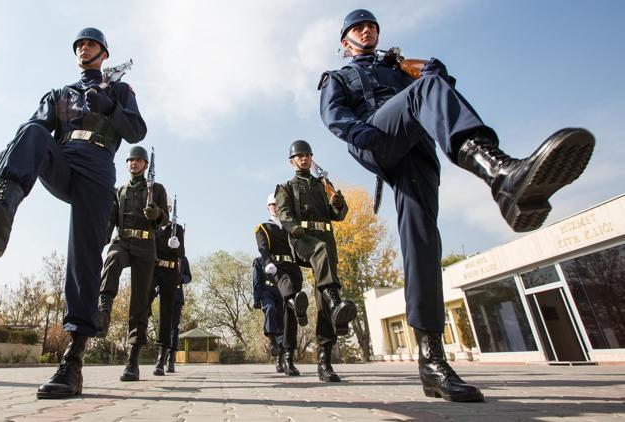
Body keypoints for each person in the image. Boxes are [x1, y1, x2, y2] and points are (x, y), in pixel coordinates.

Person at [319, 10, 595, 401]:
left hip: (417, 151)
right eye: (359, 28)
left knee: (423, 242)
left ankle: (432, 363)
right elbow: (334, 116)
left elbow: (442, 95)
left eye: (373, 26)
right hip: (375, 138)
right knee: (422, 91)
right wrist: (365, 134)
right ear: (346, 41)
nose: (368, 31)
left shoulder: (400, 68)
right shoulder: (339, 76)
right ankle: (499, 173)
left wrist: (433, 70)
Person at [0, 28, 147, 399]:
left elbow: (137, 131)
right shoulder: (59, 94)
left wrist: (110, 107)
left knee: (83, 257)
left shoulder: (119, 90)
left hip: (98, 167)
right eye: (79, 44)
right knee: (31, 131)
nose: (84, 47)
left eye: (91, 43)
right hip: (63, 159)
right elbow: (34, 130)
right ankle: (0, 214)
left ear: (104, 52)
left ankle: (73, 362)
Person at [275, 140, 354, 382]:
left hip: (325, 242)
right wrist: (293, 228)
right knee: (320, 252)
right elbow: (284, 213)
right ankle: (336, 299)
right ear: (292, 162)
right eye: (299, 156)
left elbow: (337, 215)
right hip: (303, 241)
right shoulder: (286, 186)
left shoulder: (322, 185)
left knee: (323, 304)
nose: (304, 158)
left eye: (307, 155)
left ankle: (324, 362)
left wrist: (339, 204)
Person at [97, 145, 169, 382]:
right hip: (123, 240)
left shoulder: (156, 188)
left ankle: (132, 361)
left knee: (139, 302)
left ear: (145, 165)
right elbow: (110, 221)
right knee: (113, 257)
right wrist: (101, 242)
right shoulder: (120, 191)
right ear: (127, 164)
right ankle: (104, 306)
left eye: (138, 161)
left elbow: (164, 220)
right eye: (130, 161)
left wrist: (156, 213)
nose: (134, 164)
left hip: (146, 246)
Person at [253, 194, 309, 376]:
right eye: (272, 204)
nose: (276, 207)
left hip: (292, 268)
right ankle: (282, 357)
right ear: (268, 207)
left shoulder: (290, 228)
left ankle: (288, 358)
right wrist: (268, 261)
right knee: (282, 306)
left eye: (279, 204)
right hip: (276, 269)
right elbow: (262, 247)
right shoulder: (264, 227)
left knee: (289, 318)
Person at [146, 198, 185, 375]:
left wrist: (176, 247)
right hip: (153, 270)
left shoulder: (177, 229)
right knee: (142, 303)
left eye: (168, 208)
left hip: (169, 272)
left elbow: (181, 255)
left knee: (166, 315)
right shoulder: (150, 226)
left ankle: (162, 357)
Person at [167, 255, 192, 373]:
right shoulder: (161, 252)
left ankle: (170, 358)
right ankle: (161, 356)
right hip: (163, 294)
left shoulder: (183, 258)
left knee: (174, 328)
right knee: (163, 326)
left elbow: (189, 277)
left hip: (177, 296)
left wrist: (181, 278)